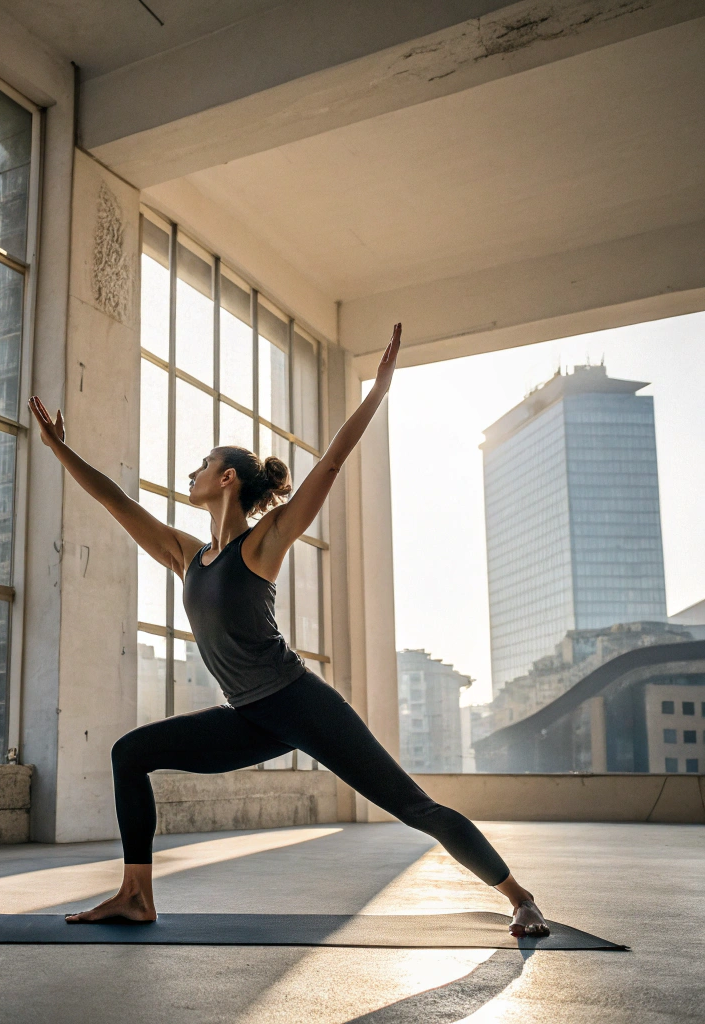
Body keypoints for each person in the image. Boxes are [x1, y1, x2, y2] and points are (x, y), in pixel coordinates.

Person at [27, 323, 549, 938]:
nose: (192, 471)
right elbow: (119, 504)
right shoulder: (186, 554)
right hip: (247, 716)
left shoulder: (262, 543)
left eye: (205, 464)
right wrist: (61, 450)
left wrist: (377, 393)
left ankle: (520, 897)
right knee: (130, 754)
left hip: (298, 703)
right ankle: (136, 896)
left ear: (228, 479)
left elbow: (328, 466)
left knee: (413, 807)